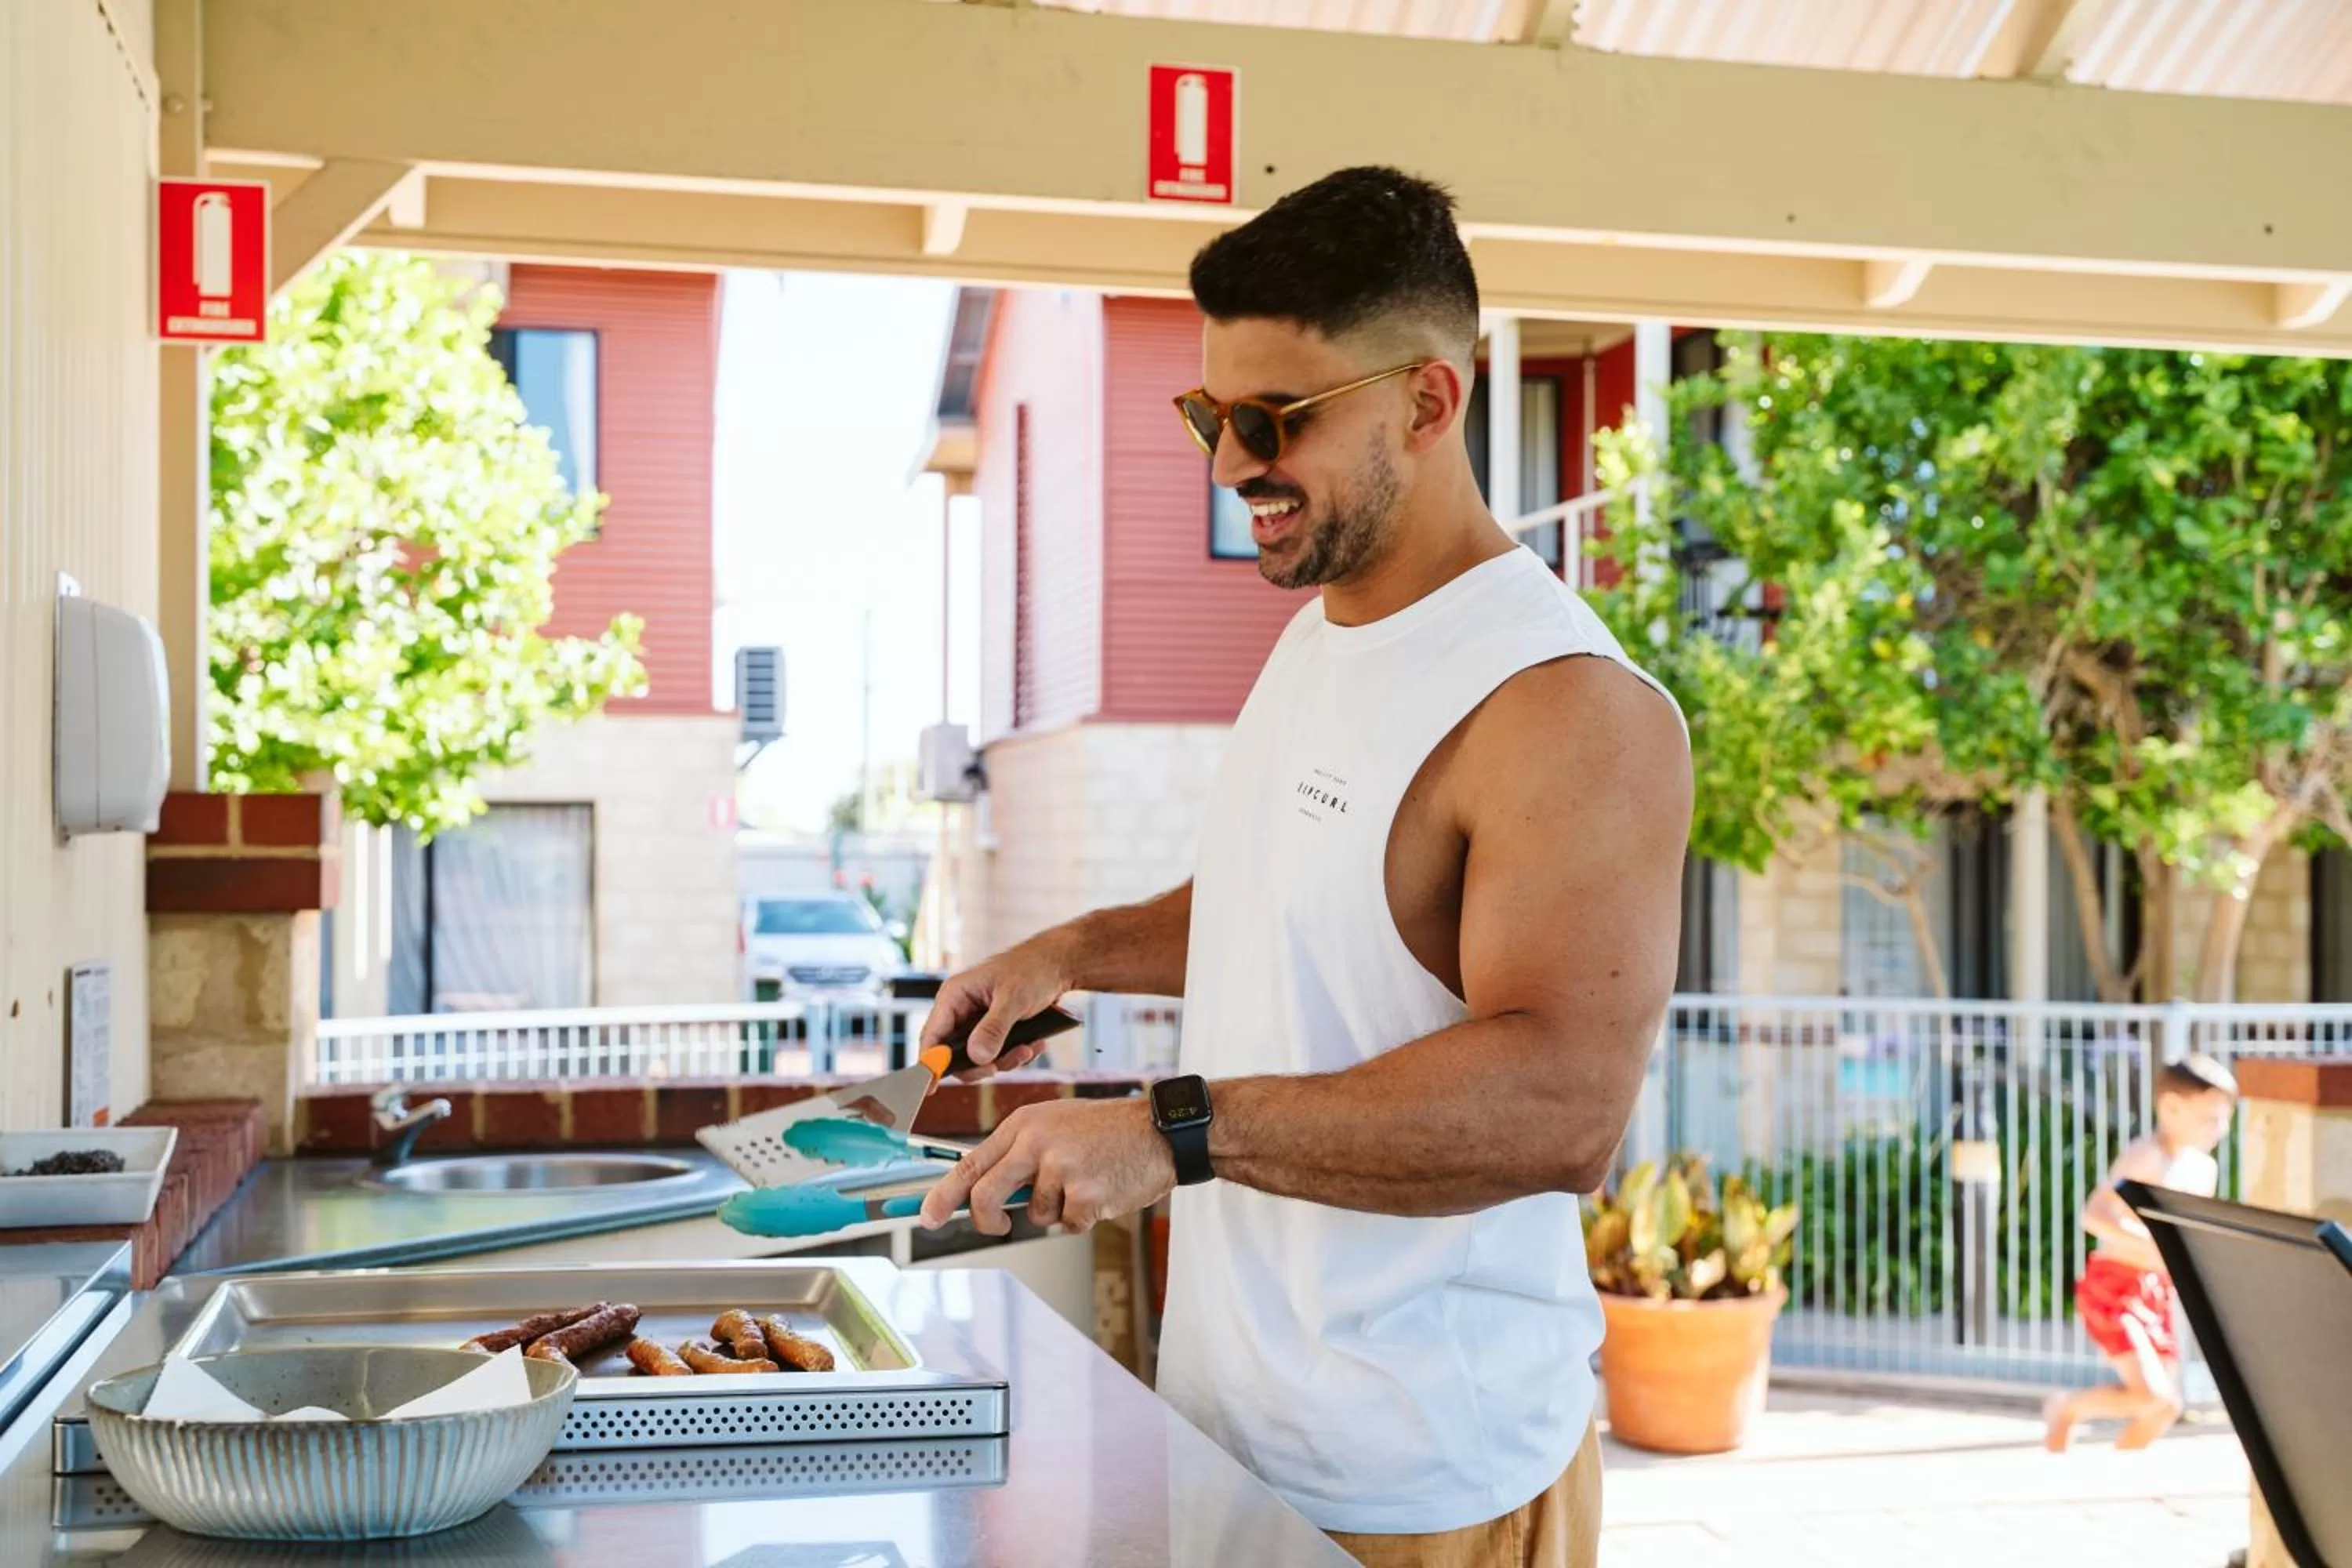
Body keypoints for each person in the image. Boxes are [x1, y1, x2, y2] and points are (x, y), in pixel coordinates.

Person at [914, 167, 1692, 1567]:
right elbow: (1308, 904)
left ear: (1429, 401)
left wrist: (1170, 1130)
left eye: (1274, 422)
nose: (1228, 465)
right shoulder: (1322, 636)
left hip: (1426, 1484)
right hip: (1234, 1442)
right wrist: (1073, 953)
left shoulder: (1566, 707)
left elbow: (1564, 1108)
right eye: (1212, 415)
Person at [2043, 1053, 2239, 1453]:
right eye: (2209, 1117)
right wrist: (2152, 1241)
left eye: (2225, 1118)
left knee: (2163, 1408)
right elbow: (2094, 1214)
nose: (2221, 1128)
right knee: (2158, 1397)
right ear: (2170, 1108)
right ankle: (2066, 1409)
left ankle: (2114, 1469)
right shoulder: (2147, 1156)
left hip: (2155, 1290)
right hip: (2115, 1286)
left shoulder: (2203, 1168)